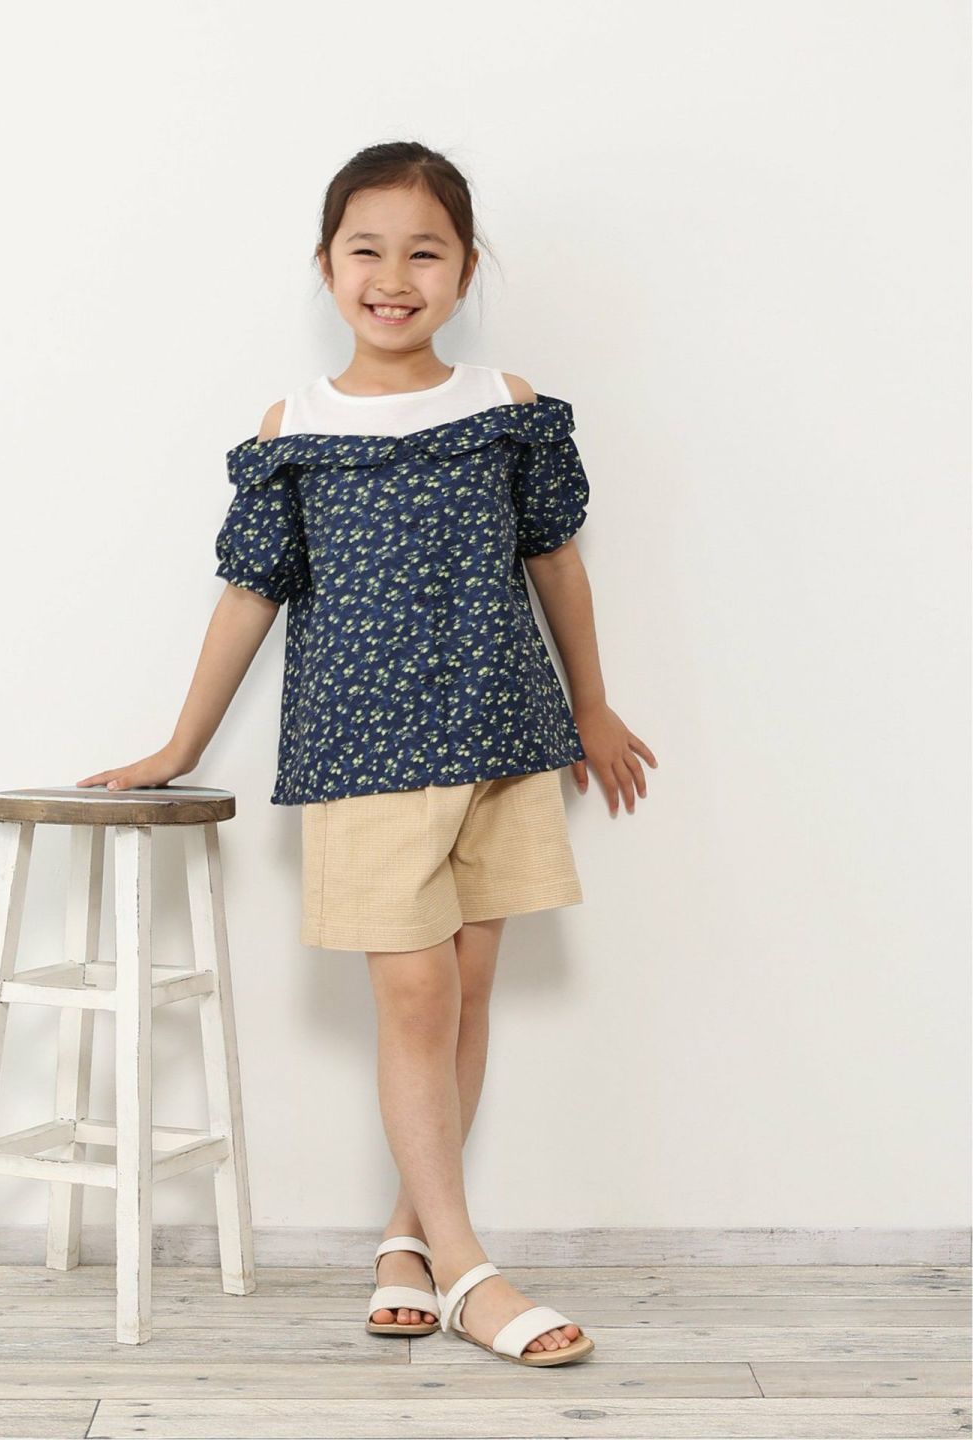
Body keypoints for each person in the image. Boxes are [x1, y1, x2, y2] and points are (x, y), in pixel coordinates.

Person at [77, 140, 657, 1369]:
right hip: (365, 756)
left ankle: (407, 1240)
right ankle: (472, 1271)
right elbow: (252, 594)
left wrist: (594, 706)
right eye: (367, 251)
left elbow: (555, 560)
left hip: (505, 735)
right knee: (414, 997)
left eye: (424, 252)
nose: (394, 278)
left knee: (469, 994)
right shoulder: (295, 428)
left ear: (466, 269)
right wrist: (179, 743)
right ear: (327, 264)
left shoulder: (506, 408)